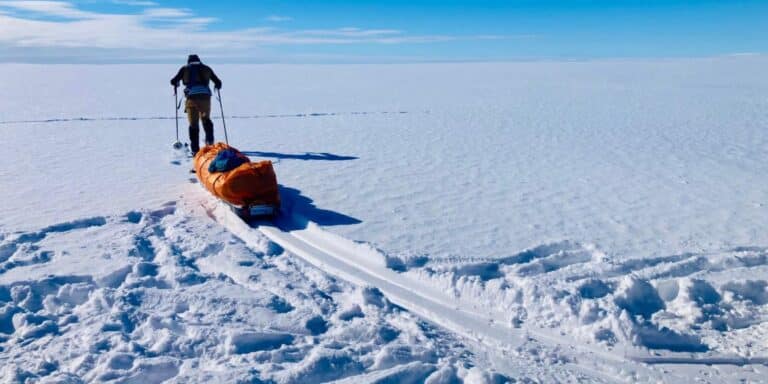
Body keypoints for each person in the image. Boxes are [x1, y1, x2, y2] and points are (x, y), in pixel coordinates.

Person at [170, 54, 222, 155]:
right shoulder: (207, 68)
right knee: (206, 119)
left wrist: (176, 83)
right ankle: (209, 143)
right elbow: (218, 82)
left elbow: (173, 81)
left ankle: (195, 150)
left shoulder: (184, 69)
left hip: (191, 98)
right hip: (205, 97)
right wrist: (217, 86)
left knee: (193, 124)